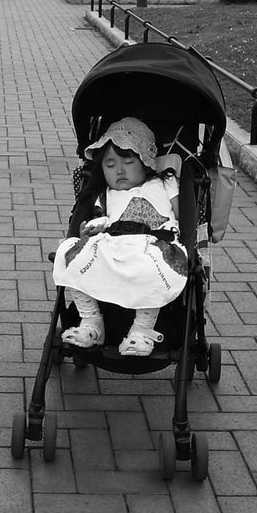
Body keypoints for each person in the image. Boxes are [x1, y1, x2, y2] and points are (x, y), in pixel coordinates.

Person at [52, 118, 188, 356]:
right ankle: (91, 322)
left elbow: (182, 218)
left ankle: (142, 330)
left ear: (146, 162)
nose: (120, 170)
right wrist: (88, 232)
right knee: (70, 253)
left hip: (154, 244)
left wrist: (186, 236)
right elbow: (98, 219)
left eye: (128, 161)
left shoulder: (164, 183)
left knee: (153, 270)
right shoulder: (105, 194)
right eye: (110, 165)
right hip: (113, 242)